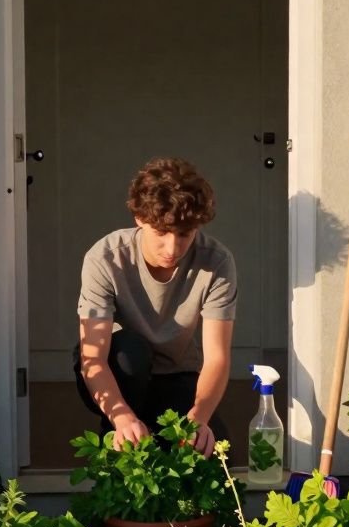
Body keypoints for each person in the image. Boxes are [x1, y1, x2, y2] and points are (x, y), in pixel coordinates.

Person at [74, 156, 237, 458]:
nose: (172, 249)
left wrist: (198, 418)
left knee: (211, 453)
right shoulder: (106, 258)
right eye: (161, 233)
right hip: (119, 370)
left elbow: (217, 357)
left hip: (176, 373)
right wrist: (122, 417)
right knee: (130, 353)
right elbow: (92, 358)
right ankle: (118, 432)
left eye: (185, 234)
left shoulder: (216, 261)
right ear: (139, 218)